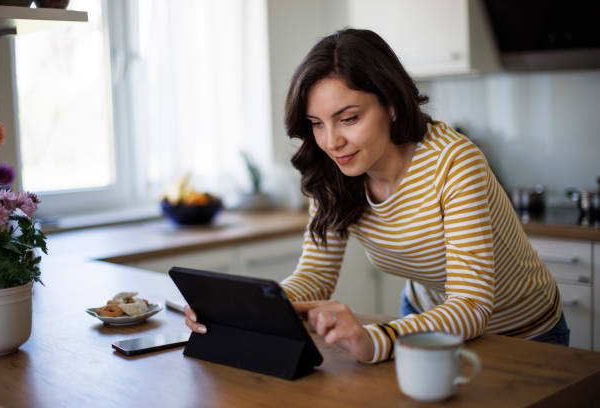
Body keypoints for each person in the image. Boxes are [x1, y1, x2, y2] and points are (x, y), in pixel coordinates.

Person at [185, 28, 569, 363]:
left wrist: (375, 338)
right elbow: (315, 275)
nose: (332, 142)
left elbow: (471, 305)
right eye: (317, 124)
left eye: (349, 119)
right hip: (425, 320)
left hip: (523, 332)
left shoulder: (454, 162)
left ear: (391, 104)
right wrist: (246, 312)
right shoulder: (333, 171)